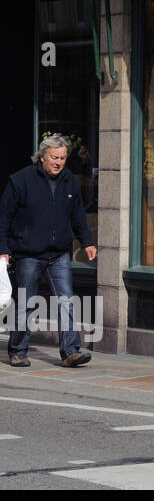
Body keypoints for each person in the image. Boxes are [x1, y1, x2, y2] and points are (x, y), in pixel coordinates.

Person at [0, 134, 97, 368]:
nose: (58, 162)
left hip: (59, 253)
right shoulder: (21, 180)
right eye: (54, 157)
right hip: (28, 253)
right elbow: (4, 217)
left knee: (66, 301)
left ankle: (70, 351)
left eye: (63, 158)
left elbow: (78, 216)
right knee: (26, 303)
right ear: (42, 157)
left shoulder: (70, 181)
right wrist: (3, 249)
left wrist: (87, 241)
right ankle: (18, 350)